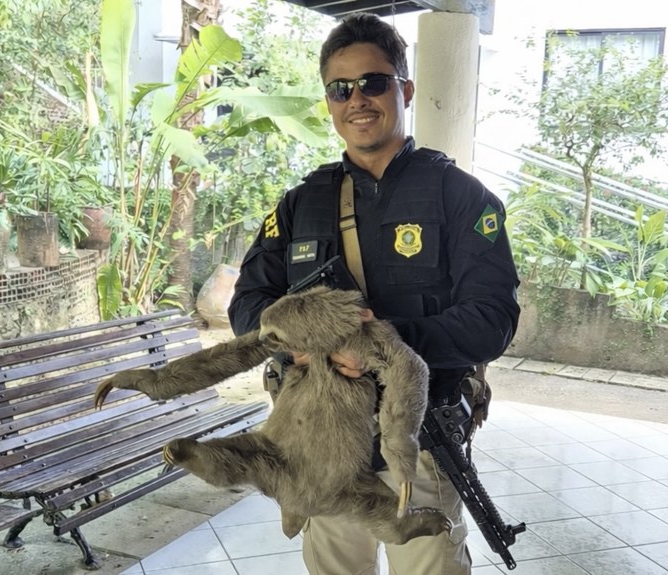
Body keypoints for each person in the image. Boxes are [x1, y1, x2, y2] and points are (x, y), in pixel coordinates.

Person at [228, 12, 520, 575]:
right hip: (322, 443)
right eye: (341, 88)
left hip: (421, 441)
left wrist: (382, 344)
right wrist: (297, 342)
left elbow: (492, 319)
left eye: (374, 82)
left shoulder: (460, 197)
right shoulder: (298, 205)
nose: (357, 99)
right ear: (329, 101)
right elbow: (247, 306)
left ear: (404, 89)